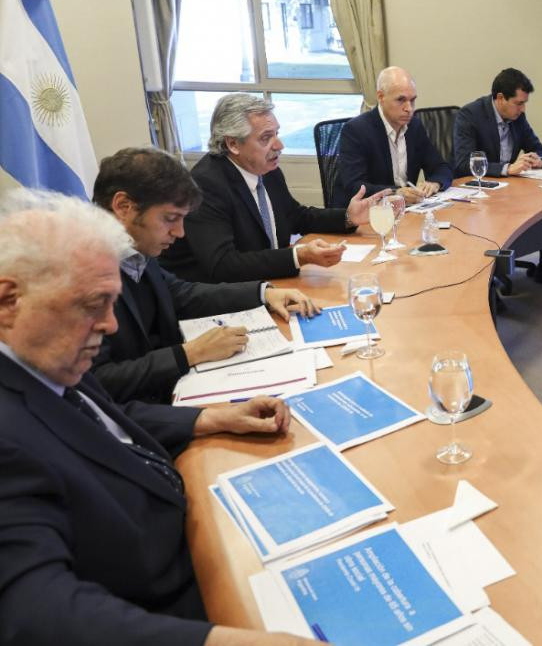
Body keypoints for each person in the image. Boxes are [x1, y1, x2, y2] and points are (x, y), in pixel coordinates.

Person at [0, 188, 317, 646]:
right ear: (9, 301)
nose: (110, 324)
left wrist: (210, 418)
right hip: (173, 607)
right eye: (93, 305)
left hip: (196, 533)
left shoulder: (43, 354)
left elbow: (102, 424)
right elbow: (35, 610)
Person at [91, 148, 320, 404]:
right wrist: (190, 353)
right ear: (124, 206)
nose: (179, 233)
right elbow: (98, 380)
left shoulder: (133, 249)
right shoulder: (80, 272)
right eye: (170, 219)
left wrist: (264, 293)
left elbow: (181, 294)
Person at [160, 93, 388, 283]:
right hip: (217, 301)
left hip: (271, 283)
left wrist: (348, 218)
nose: (279, 145)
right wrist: (297, 256)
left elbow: (295, 215)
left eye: (276, 134)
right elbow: (223, 265)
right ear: (232, 144)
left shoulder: (266, 169)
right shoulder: (206, 185)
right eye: (266, 138)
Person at [452, 68, 542, 286]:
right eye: (518, 103)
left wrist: (539, 160)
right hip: (479, 191)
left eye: (524, 103)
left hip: (508, 189)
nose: (523, 108)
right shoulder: (470, 115)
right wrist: (507, 168)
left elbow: (540, 150)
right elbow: (462, 163)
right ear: (500, 98)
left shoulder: (518, 117)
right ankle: (489, 280)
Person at [333, 66, 453, 205]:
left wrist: (435, 182)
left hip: (405, 211)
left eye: (412, 100)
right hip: (369, 213)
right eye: (401, 100)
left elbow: (441, 167)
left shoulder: (414, 126)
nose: (409, 108)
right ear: (381, 97)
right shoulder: (356, 130)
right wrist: (396, 192)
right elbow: (354, 186)